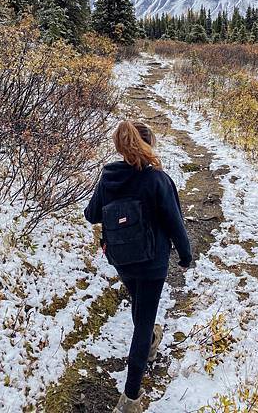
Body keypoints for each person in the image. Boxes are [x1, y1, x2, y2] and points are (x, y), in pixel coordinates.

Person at [84, 120, 192, 413]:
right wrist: (185, 255)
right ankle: (131, 398)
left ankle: (152, 341)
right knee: (143, 323)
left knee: (140, 307)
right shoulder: (157, 179)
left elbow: (91, 214)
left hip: (122, 259)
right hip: (152, 261)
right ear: (149, 144)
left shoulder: (109, 178)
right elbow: (174, 222)